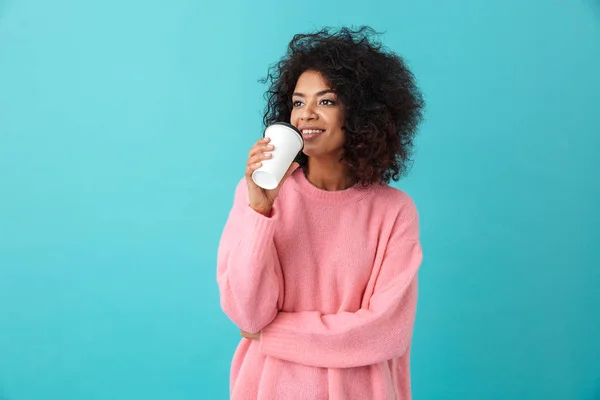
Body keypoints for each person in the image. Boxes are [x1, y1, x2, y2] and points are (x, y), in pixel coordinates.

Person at [216, 26, 425, 400]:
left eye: (326, 101)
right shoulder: (256, 197)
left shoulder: (395, 211)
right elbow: (248, 316)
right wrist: (260, 212)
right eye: (298, 102)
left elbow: (385, 333)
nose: (306, 115)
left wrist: (272, 334)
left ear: (363, 113)